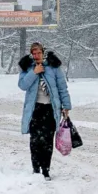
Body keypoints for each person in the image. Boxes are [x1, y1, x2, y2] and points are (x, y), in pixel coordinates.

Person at [18, 42, 72, 181]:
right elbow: (22, 85)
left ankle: (46, 170)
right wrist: (34, 72)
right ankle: (36, 169)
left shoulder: (53, 67)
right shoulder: (27, 66)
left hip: (50, 109)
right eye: (34, 53)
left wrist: (66, 106)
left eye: (39, 53)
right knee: (35, 141)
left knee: (47, 141)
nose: (36, 56)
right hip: (35, 109)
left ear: (43, 52)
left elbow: (62, 88)